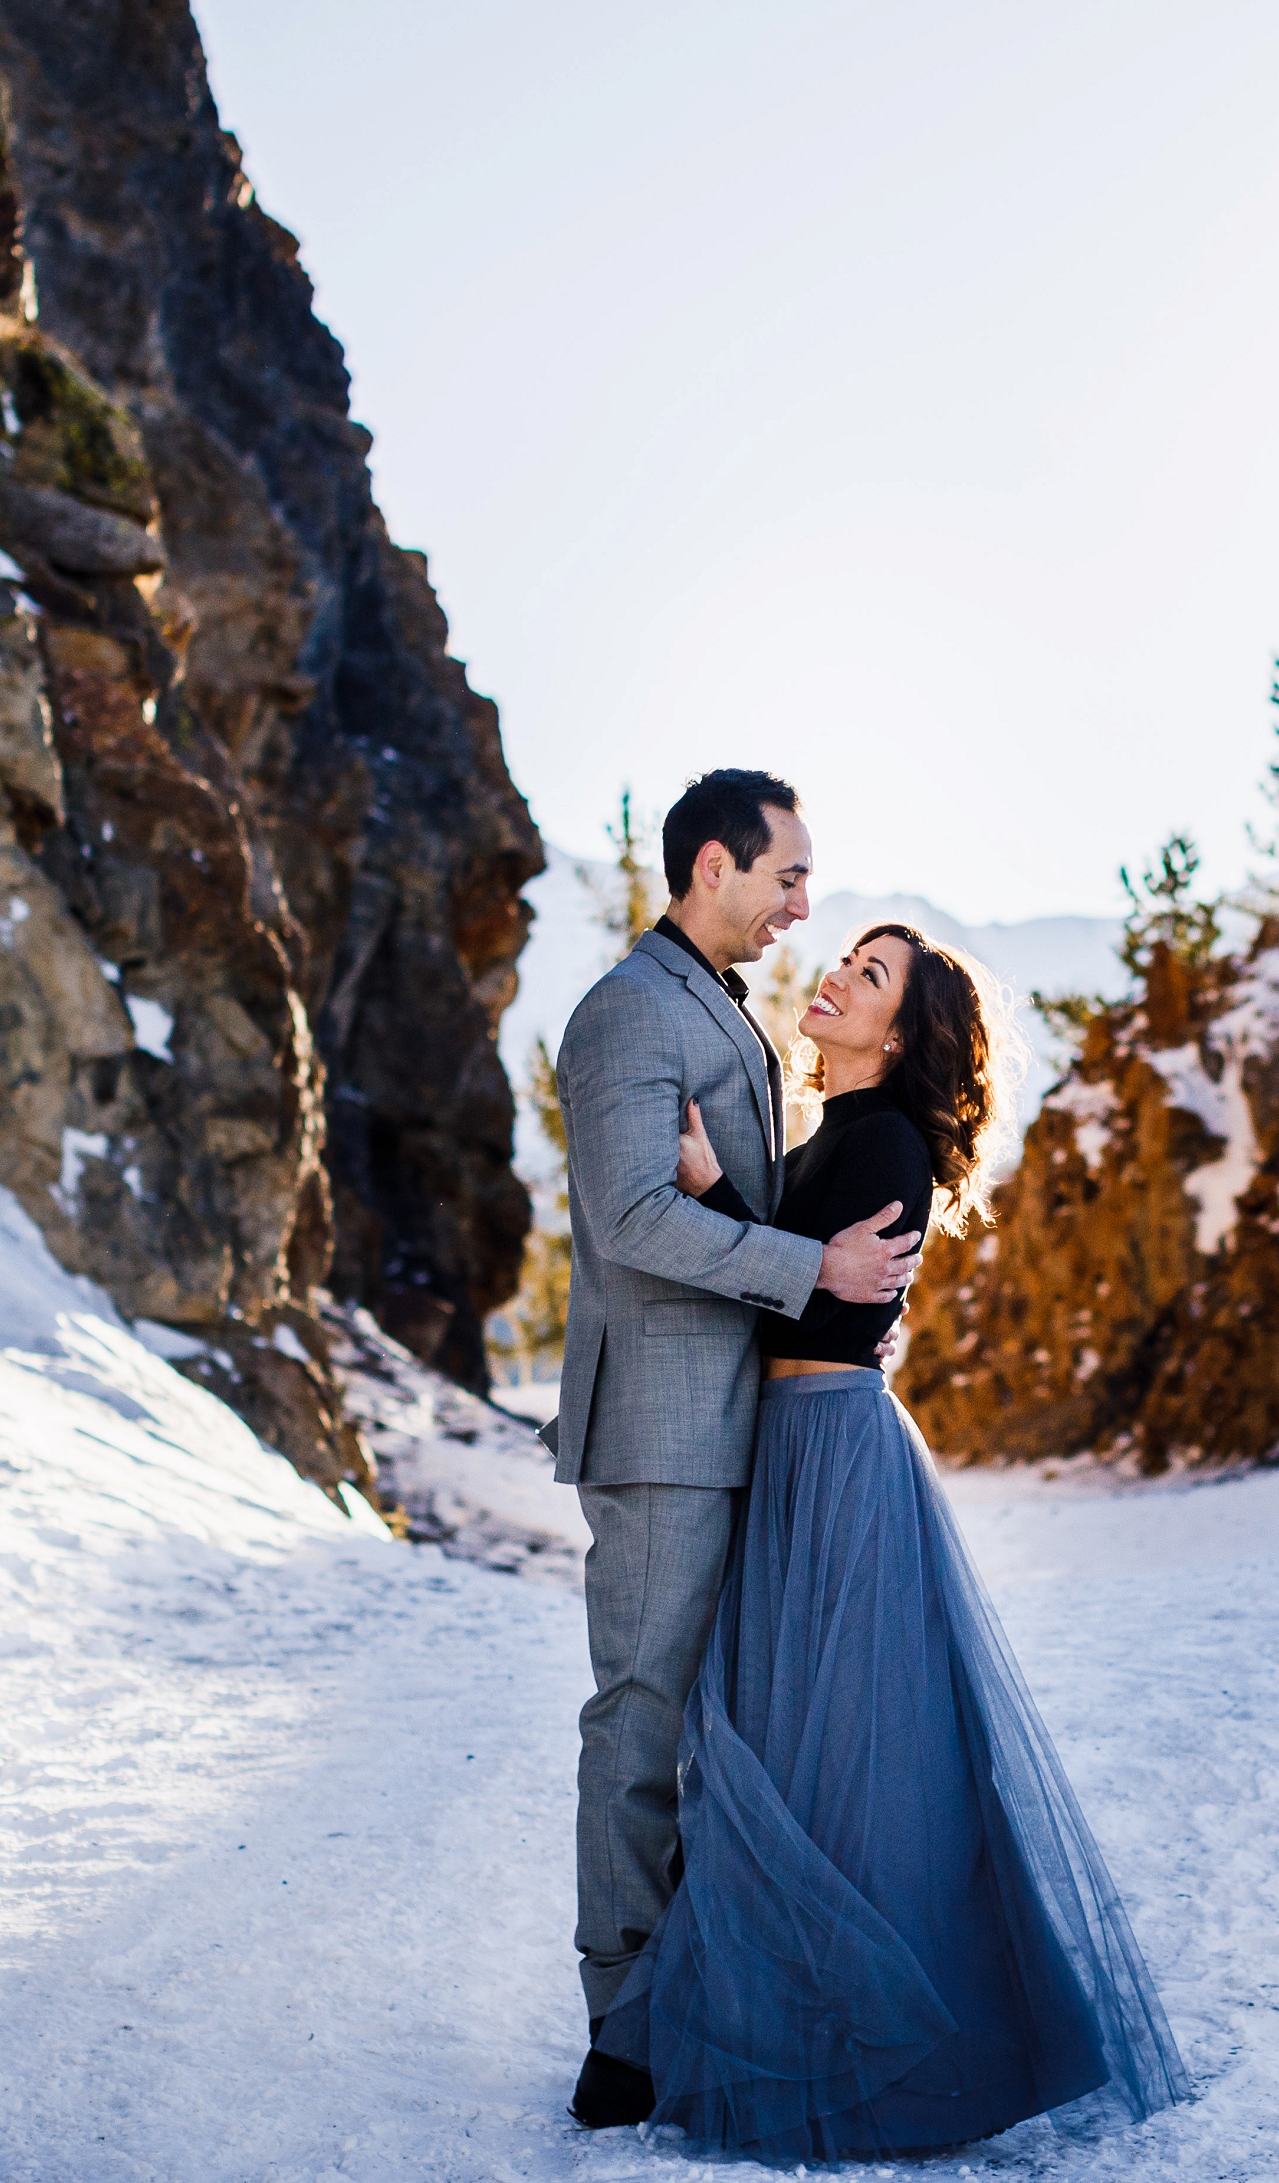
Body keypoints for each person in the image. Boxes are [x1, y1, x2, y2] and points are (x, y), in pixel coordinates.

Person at [588, 920, 1190, 2157]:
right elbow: (803, 1273)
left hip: (829, 1454)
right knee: (793, 1745)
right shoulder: (840, 1141)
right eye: (846, 960)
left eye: (869, 977)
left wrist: (732, 1221)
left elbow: (807, 1299)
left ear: (902, 1034)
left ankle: (850, 2042)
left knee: (835, 1760)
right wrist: (729, 1201)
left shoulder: (887, 1144)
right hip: (803, 1444)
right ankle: (776, 2018)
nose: (837, 978)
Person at [545, 770, 926, 2118]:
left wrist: (759, 1215)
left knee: (726, 1737)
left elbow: (716, 1195)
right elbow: (634, 1216)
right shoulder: (629, 1013)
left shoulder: (716, 1009)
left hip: (739, 1420)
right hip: (661, 1427)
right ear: (715, 864)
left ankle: (692, 2001)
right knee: (644, 1723)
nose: (801, 907)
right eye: (788, 877)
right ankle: (620, 2037)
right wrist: (798, 1253)